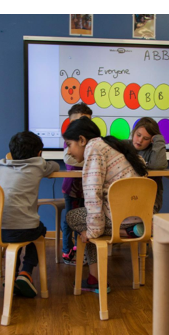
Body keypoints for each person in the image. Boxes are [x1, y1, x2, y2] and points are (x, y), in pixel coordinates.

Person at [63, 116, 148, 293]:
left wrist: (92, 231)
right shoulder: (109, 146)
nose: (68, 151)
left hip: (121, 219)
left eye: (69, 144)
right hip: (139, 216)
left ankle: (125, 232)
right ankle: (94, 277)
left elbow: (92, 196)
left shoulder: (93, 150)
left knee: (74, 216)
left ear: (82, 140)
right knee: (91, 221)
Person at [0, 131, 59, 297]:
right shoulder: (38, 164)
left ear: (11, 152)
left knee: (16, 232)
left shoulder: (0, 165)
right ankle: (26, 272)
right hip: (24, 229)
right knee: (38, 230)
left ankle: (12, 276)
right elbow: (55, 166)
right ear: (39, 152)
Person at [61, 102, 91, 265]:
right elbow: (69, 159)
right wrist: (90, 162)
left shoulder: (91, 142)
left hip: (88, 189)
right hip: (71, 188)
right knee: (69, 219)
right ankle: (67, 250)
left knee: (84, 219)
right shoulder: (69, 140)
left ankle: (80, 249)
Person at [128, 117, 168, 213]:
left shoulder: (154, 151)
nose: (140, 140)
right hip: (127, 196)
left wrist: (159, 138)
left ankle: (136, 227)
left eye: (145, 138)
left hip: (149, 198)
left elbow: (158, 165)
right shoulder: (124, 146)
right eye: (138, 135)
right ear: (133, 132)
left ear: (152, 140)